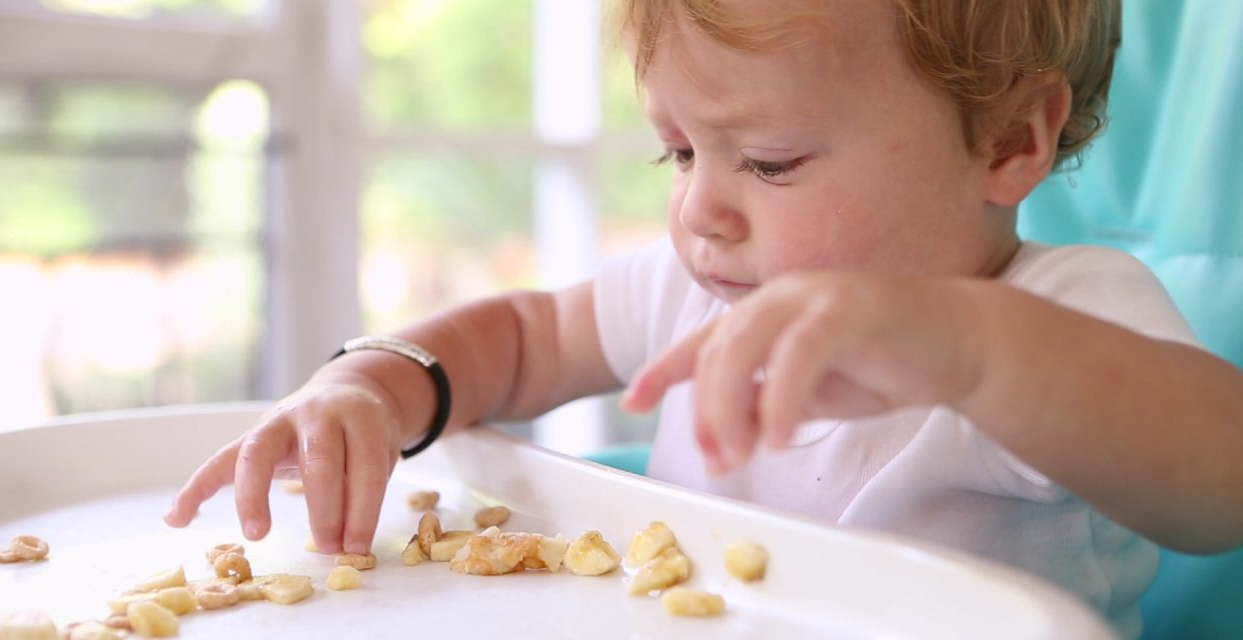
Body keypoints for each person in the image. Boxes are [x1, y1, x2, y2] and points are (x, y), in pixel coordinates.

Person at [165, 1, 1243, 636]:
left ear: (1010, 140)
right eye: (677, 151)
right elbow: (524, 338)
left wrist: (969, 352)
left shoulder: (1058, 316)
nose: (698, 210)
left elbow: (1216, 481)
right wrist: (374, 380)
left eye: (768, 161)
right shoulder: (700, 287)